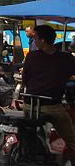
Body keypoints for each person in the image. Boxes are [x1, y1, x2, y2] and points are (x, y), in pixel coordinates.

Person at [22, 25, 75, 154]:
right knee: (72, 142)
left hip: (29, 104)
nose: (34, 41)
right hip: (52, 107)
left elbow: (25, 80)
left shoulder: (31, 56)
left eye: (36, 39)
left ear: (43, 40)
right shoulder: (66, 58)